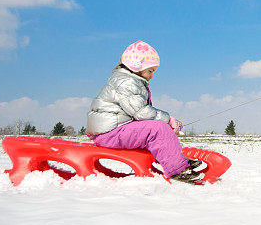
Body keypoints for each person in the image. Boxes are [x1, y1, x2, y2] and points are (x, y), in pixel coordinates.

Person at [86, 40, 205, 184]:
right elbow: (141, 112)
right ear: (136, 67)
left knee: (156, 128)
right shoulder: (127, 83)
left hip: (113, 131)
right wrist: (168, 119)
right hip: (110, 133)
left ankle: (176, 161)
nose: (152, 76)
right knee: (158, 128)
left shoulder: (129, 81)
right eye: (150, 71)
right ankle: (178, 169)